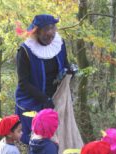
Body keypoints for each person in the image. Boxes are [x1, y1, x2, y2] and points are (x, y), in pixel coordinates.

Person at [15, 14, 70, 144]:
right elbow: (24, 83)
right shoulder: (26, 51)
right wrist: (44, 99)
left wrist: (69, 72)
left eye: (52, 33)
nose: (50, 37)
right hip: (33, 101)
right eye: (46, 34)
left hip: (56, 99)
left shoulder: (59, 44)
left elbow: (65, 65)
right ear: (37, 32)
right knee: (38, 142)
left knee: (57, 140)